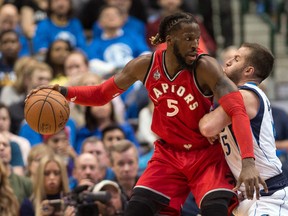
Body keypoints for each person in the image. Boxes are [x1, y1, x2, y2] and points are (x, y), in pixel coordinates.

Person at [29, 12, 265, 216]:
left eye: (196, 38)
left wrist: (248, 162)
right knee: (136, 209)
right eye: (188, 39)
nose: (196, 44)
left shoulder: (206, 67)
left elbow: (237, 109)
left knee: (216, 211)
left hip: (205, 157)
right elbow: (102, 93)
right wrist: (63, 91)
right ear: (170, 41)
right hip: (168, 155)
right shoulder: (144, 65)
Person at [199, 42, 288, 215]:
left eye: (236, 59)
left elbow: (207, 127)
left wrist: (209, 121)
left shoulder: (245, 95)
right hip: (248, 194)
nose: (228, 62)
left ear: (248, 71)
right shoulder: (238, 96)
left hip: (269, 195)